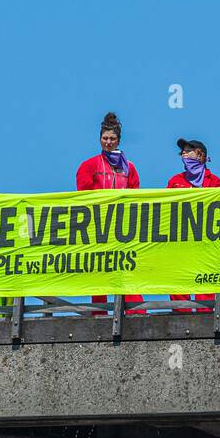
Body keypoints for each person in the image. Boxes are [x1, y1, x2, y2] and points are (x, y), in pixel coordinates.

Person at [76, 112, 143, 314]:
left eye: (112, 138)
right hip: (98, 226)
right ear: (99, 139)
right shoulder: (90, 165)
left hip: (122, 228)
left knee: (126, 268)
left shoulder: (129, 167)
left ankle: (136, 312)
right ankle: (99, 313)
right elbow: (82, 196)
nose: (108, 142)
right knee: (100, 270)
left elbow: (136, 196)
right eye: (105, 138)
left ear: (118, 141)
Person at [167, 138, 220, 312]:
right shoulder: (175, 181)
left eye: (188, 150)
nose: (183, 153)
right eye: (182, 151)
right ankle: (180, 314)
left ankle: (206, 315)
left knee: (206, 280)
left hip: (206, 242)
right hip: (181, 241)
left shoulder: (214, 182)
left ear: (200, 155)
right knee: (178, 279)